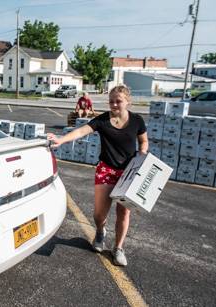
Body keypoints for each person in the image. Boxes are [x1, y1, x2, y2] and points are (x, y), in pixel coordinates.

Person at [48, 85, 148, 266]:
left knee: (123, 213)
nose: (114, 105)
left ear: (127, 102)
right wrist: (61, 140)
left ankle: (118, 248)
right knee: (99, 214)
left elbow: (143, 141)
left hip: (128, 173)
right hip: (106, 170)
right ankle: (101, 231)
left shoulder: (137, 120)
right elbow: (80, 131)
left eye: (118, 101)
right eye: (111, 101)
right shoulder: (102, 120)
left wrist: (141, 156)